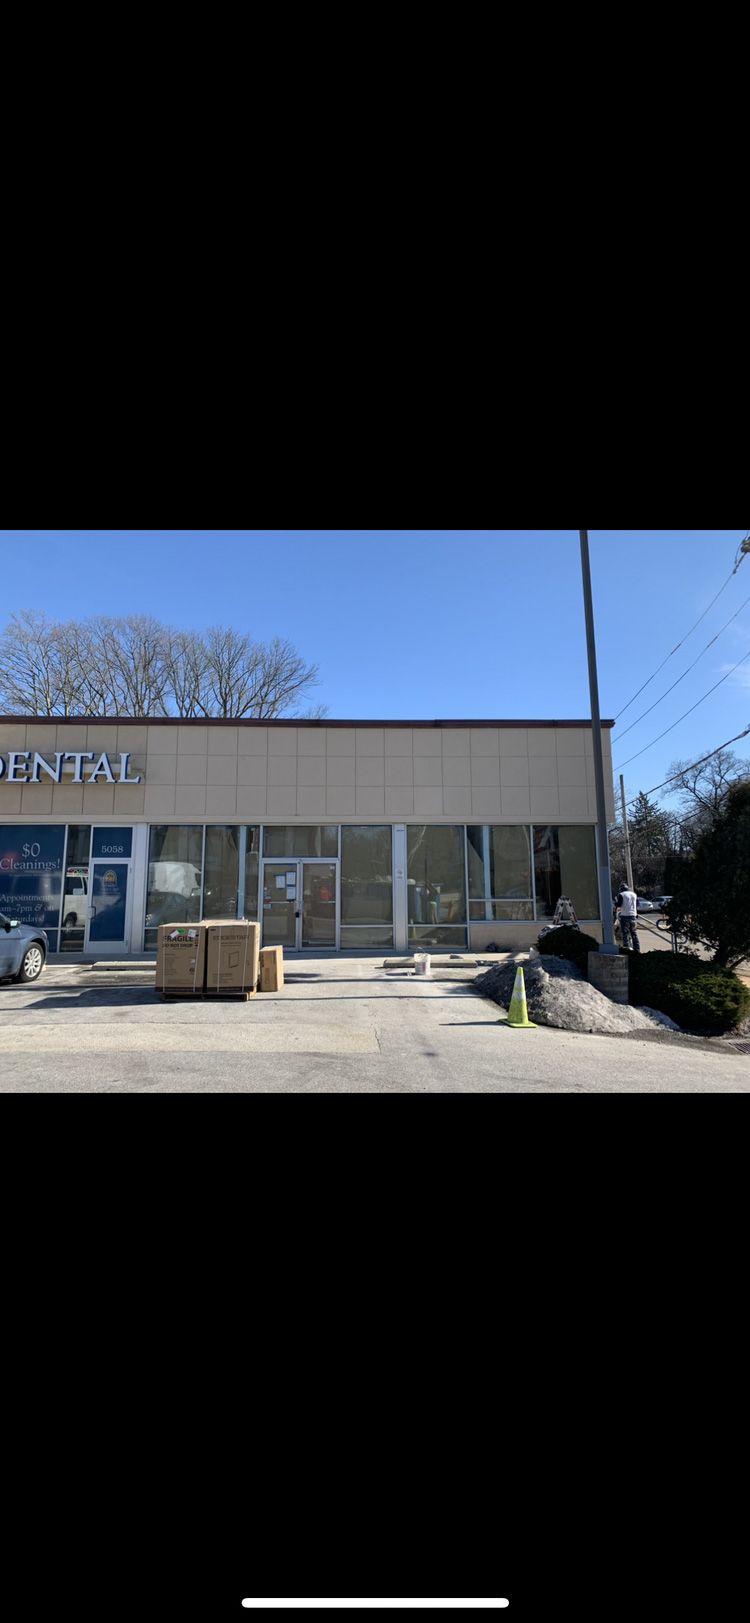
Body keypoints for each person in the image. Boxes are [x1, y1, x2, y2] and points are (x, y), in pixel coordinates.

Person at [617, 881, 641, 953]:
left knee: (625, 933)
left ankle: (626, 949)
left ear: (621, 889)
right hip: (633, 916)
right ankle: (637, 949)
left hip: (624, 916)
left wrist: (615, 903)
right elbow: (638, 904)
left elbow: (619, 904)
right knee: (634, 933)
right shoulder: (634, 894)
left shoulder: (621, 894)